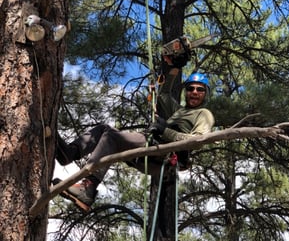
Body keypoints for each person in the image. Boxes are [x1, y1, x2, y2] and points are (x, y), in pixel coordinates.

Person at [54, 66, 215, 211]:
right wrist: (173, 66)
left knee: (111, 137)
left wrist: (165, 131)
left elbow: (197, 142)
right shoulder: (180, 111)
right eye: (190, 88)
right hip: (152, 146)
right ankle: (70, 153)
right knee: (104, 129)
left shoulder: (204, 114)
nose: (194, 92)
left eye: (199, 90)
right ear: (185, 92)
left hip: (162, 154)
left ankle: (88, 188)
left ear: (205, 94)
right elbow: (165, 94)